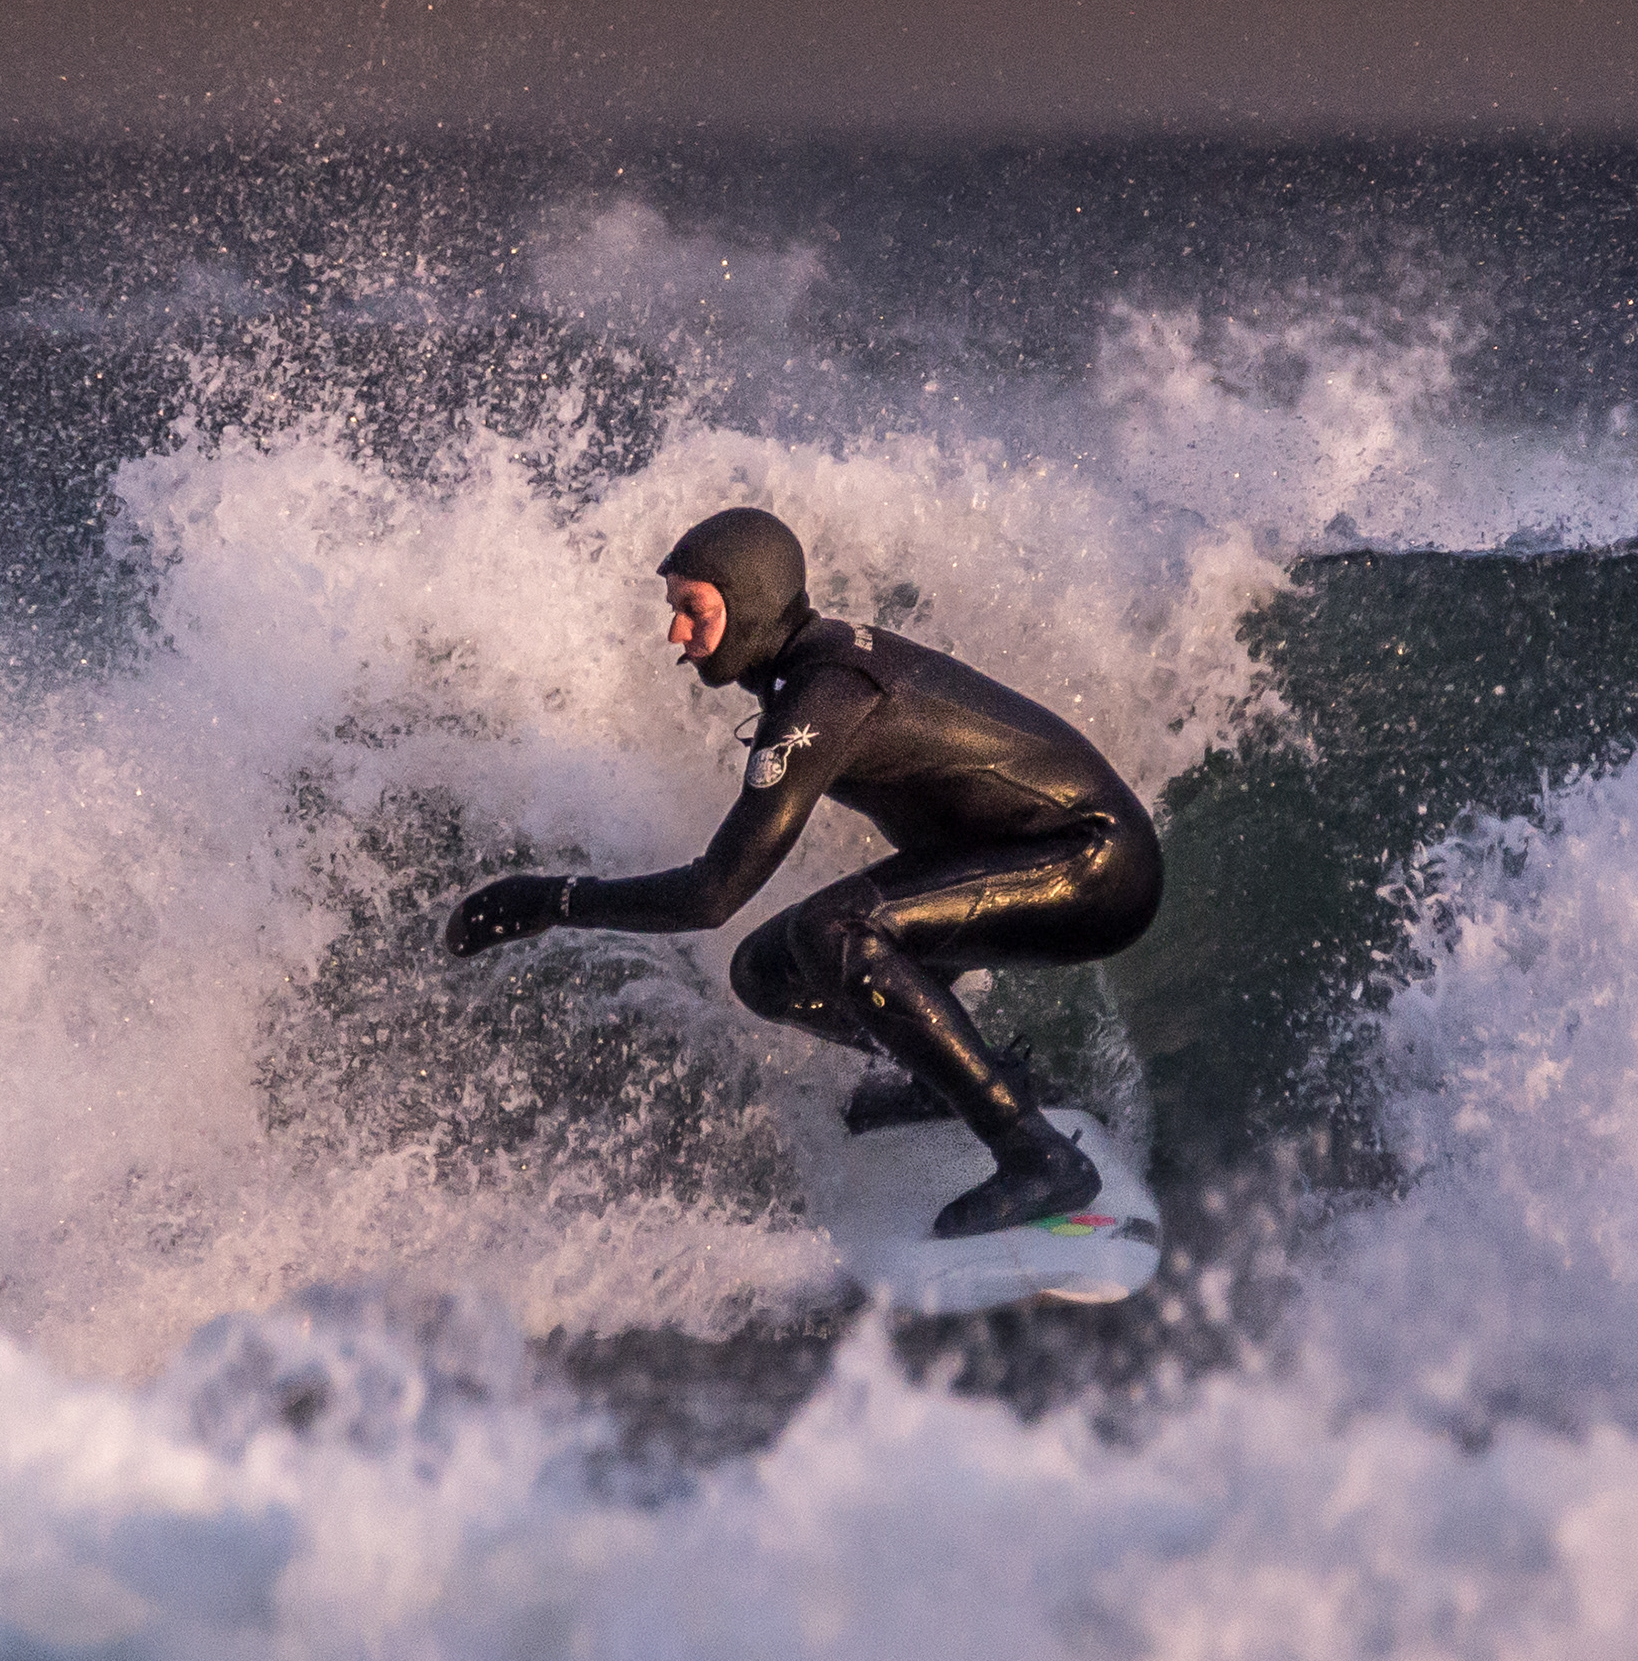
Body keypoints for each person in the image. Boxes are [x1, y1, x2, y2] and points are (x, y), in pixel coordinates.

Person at [443, 507, 1164, 1237]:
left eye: (694, 611)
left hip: (1096, 863)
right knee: (767, 971)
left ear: (750, 600)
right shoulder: (808, 676)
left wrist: (552, 899)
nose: (676, 635)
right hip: (1020, 855)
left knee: (834, 930)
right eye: (674, 612)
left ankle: (1036, 1155)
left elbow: (712, 892)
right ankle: (965, 1079)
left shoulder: (825, 694)